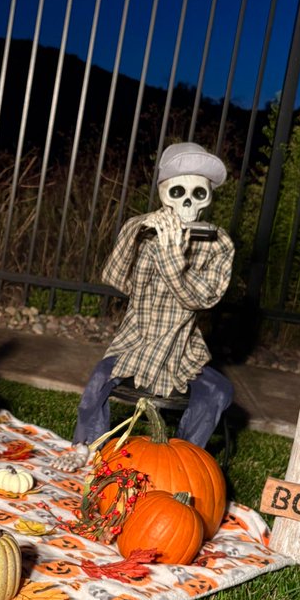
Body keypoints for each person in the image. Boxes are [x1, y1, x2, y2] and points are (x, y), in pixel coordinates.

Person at [52, 142, 235, 472]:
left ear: (208, 198)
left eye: (199, 192)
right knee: (99, 379)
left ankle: (183, 454)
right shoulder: (147, 234)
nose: (189, 202)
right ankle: (85, 445)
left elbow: (201, 298)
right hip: (138, 340)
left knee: (218, 390)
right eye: (179, 191)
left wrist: (171, 256)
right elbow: (116, 277)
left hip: (181, 347)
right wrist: (133, 230)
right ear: (165, 194)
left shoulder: (219, 243)